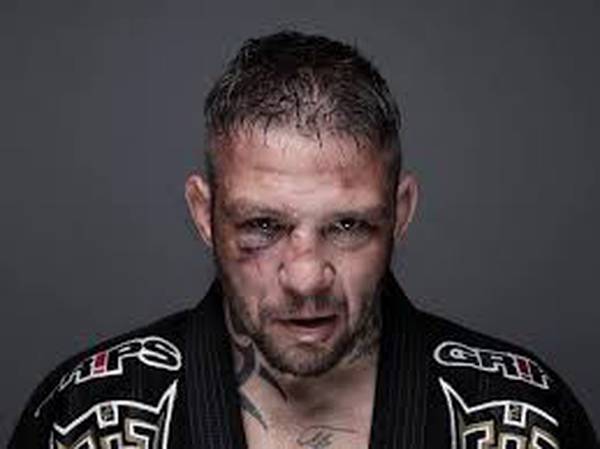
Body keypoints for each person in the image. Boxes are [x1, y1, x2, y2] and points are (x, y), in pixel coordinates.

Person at [9, 30, 598, 449]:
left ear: (400, 213)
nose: (307, 276)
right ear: (204, 214)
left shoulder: (528, 420)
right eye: (263, 227)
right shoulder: (84, 420)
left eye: (347, 226)